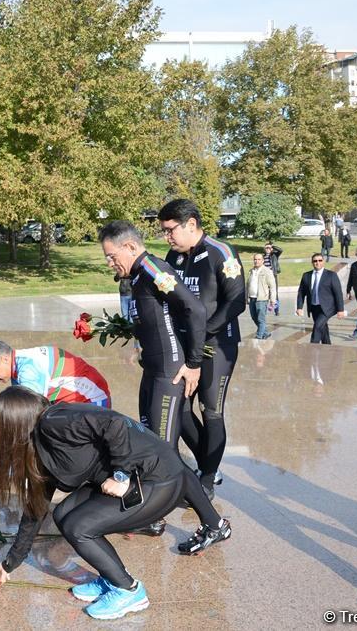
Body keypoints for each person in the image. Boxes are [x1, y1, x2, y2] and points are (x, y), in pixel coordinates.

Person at [0, 387, 230, 621]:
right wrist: (10, 563)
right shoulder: (40, 444)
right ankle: (111, 578)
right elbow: (35, 509)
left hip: (158, 480)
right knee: (63, 514)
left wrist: (120, 475)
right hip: (141, 478)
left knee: (78, 527)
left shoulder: (53, 421)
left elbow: (112, 422)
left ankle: (129, 591)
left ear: (12, 426)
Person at [158, 199, 246, 499]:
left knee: (211, 412)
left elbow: (236, 302)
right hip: (187, 346)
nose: (167, 237)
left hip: (217, 346)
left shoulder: (222, 253)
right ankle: (209, 463)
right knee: (180, 410)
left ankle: (207, 479)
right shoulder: (175, 256)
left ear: (191, 224)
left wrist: (202, 335)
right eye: (164, 232)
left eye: (171, 230)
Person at [99, 220, 205, 456]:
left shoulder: (152, 269)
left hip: (169, 372)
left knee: (162, 452)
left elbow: (195, 309)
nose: (110, 263)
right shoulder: (136, 276)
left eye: (112, 256)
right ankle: (196, 484)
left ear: (130, 247)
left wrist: (194, 364)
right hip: (152, 370)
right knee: (153, 444)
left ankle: (201, 485)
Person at [0, 338, 112, 407]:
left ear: (4, 359)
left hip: (93, 403)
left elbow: (29, 414)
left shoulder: (28, 370)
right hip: (77, 402)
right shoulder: (18, 362)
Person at [296, 253, 345, 344]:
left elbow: (338, 293)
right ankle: (327, 346)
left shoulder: (331, 275)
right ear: (312, 262)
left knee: (317, 326)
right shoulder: (306, 276)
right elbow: (301, 292)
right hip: (314, 307)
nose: (317, 263)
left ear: (323, 262)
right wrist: (299, 307)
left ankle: (312, 347)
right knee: (322, 327)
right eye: (315, 261)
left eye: (320, 260)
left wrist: (340, 310)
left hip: (328, 307)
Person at [247, 253, 277, 340]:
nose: (256, 261)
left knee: (261, 319)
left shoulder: (267, 271)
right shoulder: (251, 271)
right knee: (254, 317)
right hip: (252, 298)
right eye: (255, 259)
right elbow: (247, 285)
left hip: (262, 299)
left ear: (263, 260)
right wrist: (246, 297)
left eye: (259, 259)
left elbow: (272, 287)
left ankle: (259, 337)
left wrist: (273, 300)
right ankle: (266, 333)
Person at [263, 242, 283, 315]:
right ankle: (264, 310)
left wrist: (272, 246)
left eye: (269, 248)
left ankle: (276, 310)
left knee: (275, 293)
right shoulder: (263, 256)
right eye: (266, 248)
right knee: (264, 293)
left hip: (273, 275)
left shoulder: (274, 255)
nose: (267, 249)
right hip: (264, 277)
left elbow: (281, 250)